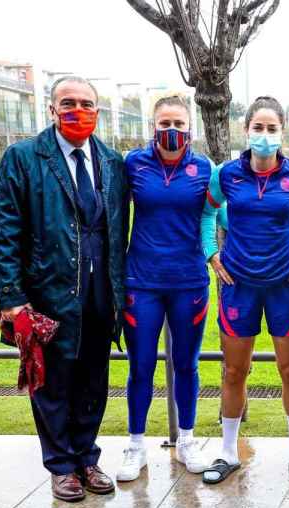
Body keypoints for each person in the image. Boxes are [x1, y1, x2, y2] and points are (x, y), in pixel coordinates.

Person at [0, 76, 128, 502]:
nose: (78, 110)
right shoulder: (25, 158)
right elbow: (3, 228)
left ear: (98, 111)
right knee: (51, 380)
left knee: (93, 376)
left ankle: (87, 455)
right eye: (68, 102)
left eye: (86, 103)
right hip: (48, 290)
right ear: (51, 109)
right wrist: (11, 298)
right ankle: (61, 464)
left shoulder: (111, 160)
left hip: (102, 290)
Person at [200, 96, 289, 486]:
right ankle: (227, 451)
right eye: (258, 128)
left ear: (282, 133)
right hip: (239, 287)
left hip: (285, 287)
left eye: (272, 129)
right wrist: (211, 254)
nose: (265, 136)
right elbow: (206, 211)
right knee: (234, 370)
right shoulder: (226, 174)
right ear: (245, 130)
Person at [116, 95, 212, 482]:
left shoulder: (205, 169)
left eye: (179, 124)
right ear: (153, 126)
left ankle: (187, 441)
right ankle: (135, 445)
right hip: (142, 282)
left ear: (190, 128)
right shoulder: (133, 165)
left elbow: (214, 218)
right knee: (140, 367)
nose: (171, 131)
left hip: (189, 282)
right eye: (164, 123)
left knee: (186, 364)